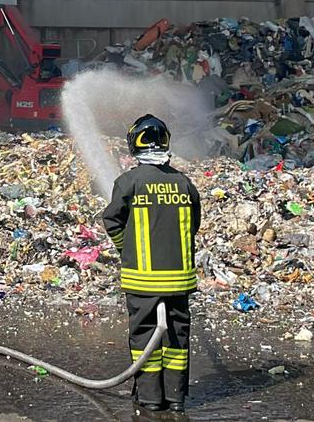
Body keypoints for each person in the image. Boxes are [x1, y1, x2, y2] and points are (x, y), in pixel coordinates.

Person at [102, 114, 201, 412]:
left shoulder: (129, 182)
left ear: (134, 145)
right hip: (180, 279)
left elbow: (112, 221)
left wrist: (126, 250)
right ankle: (175, 398)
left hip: (142, 280)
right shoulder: (184, 183)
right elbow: (193, 224)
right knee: (176, 338)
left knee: (145, 335)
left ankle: (149, 398)